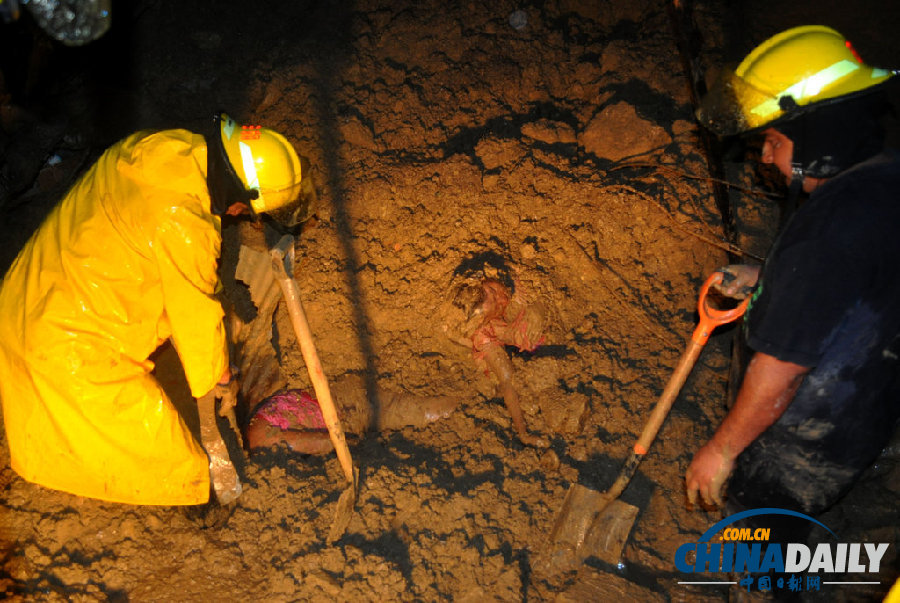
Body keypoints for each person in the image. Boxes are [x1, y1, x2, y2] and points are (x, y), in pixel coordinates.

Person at [0, 112, 314, 506]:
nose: (242, 218)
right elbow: (196, 315)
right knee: (176, 467)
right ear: (240, 196)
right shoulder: (184, 225)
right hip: (64, 348)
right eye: (250, 210)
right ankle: (191, 507)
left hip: (25, 292)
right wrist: (219, 377)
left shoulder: (163, 149)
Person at [684, 25, 900, 536]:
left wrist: (722, 450)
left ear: (821, 142)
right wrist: (769, 277)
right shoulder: (884, 179)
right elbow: (856, 285)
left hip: (805, 438)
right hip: (870, 403)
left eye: (774, 142)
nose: (763, 157)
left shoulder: (825, 233)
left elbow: (781, 370)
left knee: (762, 518)